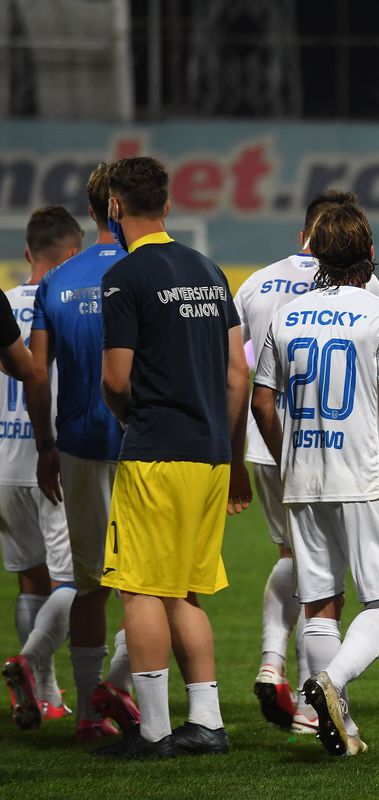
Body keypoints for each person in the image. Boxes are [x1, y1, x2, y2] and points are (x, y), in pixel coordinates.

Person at [95, 156, 252, 758]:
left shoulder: (125, 277)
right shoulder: (209, 271)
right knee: (184, 591)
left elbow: (116, 378)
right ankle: (207, 723)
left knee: (138, 591)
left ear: (115, 206)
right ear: (167, 204)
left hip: (156, 451)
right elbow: (237, 372)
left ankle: (155, 730)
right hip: (211, 453)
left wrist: (131, 417)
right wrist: (228, 446)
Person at [251, 202, 379, 757]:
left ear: (317, 253)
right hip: (364, 475)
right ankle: (331, 685)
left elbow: (261, 401)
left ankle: (334, 724)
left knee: (320, 602)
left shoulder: (286, 316)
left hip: (303, 476)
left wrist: (287, 457)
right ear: (369, 255)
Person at [233, 189, 379, 735]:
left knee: (293, 557)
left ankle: (274, 660)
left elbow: (236, 370)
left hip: (265, 440)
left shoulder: (256, 282)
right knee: (328, 582)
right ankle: (313, 697)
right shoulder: (361, 284)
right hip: (332, 446)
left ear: (304, 232)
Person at [25, 164, 138, 743]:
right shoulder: (148, 271)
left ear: (92, 211)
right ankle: (119, 688)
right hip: (144, 447)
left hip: (76, 445)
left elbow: (38, 374)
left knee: (89, 581)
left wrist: (45, 444)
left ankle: (92, 716)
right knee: (157, 581)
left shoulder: (57, 281)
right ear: (120, 207)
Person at [1, 207, 81, 729]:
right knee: (74, 580)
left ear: (28, 253)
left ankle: (45, 693)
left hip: (3, 462)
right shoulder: (70, 303)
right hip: (52, 458)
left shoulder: (4, 302)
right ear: (71, 255)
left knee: (32, 580)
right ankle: (31, 665)